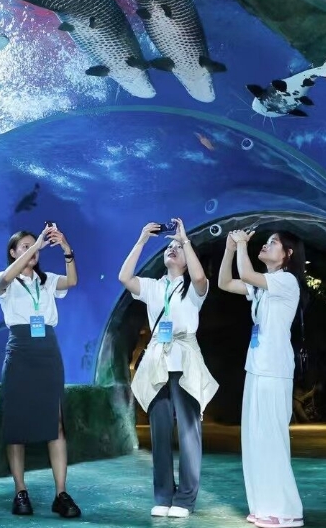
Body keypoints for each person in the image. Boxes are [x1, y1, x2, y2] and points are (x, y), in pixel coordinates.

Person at [119, 219, 219, 519]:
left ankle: (186, 499)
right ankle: (163, 495)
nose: (172, 250)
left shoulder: (194, 289)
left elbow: (199, 276)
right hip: (157, 362)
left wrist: (185, 239)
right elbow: (124, 277)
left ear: (187, 259)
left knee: (188, 433)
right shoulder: (154, 287)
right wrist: (141, 240)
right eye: (169, 247)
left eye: (178, 248)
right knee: (160, 432)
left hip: (184, 362)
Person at [218, 229, 306, 528]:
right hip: (256, 367)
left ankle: (286, 510)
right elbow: (225, 282)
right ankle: (264, 505)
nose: (266, 245)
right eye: (265, 241)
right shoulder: (263, 286)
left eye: (273, 243)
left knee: (272, 439)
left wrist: (243, 244)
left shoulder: (286, 280)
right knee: (255, 439)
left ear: (288, 254)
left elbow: (245, 273)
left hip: (274, 369)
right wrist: (230, 249)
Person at [0, 223, 81, 519]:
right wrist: (37, 244)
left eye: (36, 246)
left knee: (55, 423)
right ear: (13, 252)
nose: (34, 250)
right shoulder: (4, 280)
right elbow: (6, 277)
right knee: (15, 424)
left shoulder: (47, 280)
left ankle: (61, 494)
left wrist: (66, 248)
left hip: (47, 350)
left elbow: (72, 281)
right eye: (25, 246)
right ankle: (20, 491)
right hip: (20, 350)